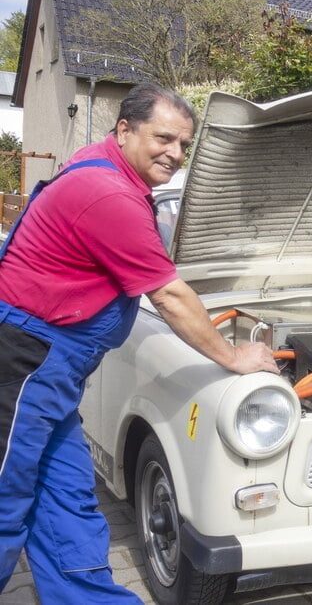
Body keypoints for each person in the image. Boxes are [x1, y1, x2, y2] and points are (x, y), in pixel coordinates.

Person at [0, 83, 279, 603]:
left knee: (66, 498)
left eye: (184, 145)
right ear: (124, 130)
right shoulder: (109, 195)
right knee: (4, 497)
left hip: (53, 370)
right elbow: (170, 297)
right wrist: (234, 356)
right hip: (26, 362)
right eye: (164, 138)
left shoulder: (100, 164)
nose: (174, 153)